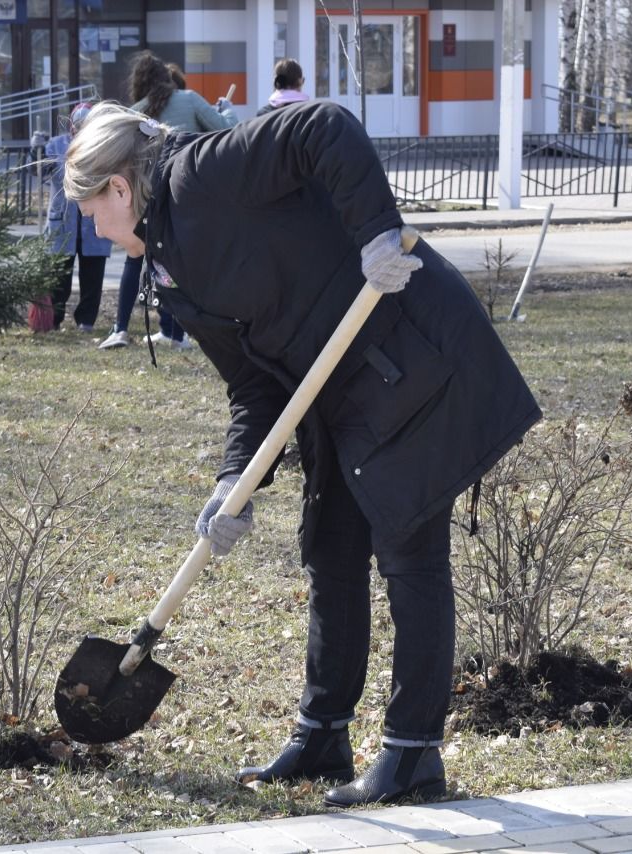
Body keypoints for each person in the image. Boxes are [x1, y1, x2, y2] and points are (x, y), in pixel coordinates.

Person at [64, 102, 541, 806]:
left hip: (408, 349)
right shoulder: (171, 266)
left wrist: (376, 233)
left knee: (410, 552)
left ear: (120, 190)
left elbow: (323, 128)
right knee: (332, 551)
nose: (91, 227)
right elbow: (253, 387)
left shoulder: (206, 174)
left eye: (89, 208)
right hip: (337, 394)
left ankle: (413, 758)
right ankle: (323, 735)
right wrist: (234, 483)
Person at [97, 52, 237, 352]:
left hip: (146, 197)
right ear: (166, 77)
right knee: (181, 264)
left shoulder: (136, 112)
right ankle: (180, 332)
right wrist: (228, 110)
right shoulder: (189, 99)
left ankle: (121, 328)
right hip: (187, 192)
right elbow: (224, 130)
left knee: (137, 261)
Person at [43, 102, 111, 331]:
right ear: (71, 125)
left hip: (94, 221)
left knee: (92, 274)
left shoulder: (104, 147)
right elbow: (38, 171)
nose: (80, 129)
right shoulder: (55, 145)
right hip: (63, 221)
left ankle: (86, 320)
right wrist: (36, 150)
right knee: (60, 275)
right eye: (77, 125)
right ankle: (54, 319)